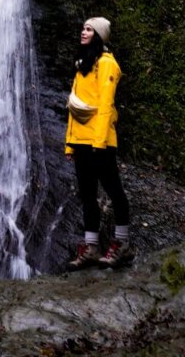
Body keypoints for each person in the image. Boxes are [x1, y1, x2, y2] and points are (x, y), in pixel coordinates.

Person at [65, 16, 133, 270]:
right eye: (82, 28)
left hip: (100, 142)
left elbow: (105, 106)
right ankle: (91, 247)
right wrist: (70, 144)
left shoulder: (107, 64)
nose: (83, 32)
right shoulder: (83, 65)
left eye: (89, 29)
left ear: (99, 35)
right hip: (82, 141)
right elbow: (74, 106)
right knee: (87, 195)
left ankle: (122, 243)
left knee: (114, 191)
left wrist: (99, 141)